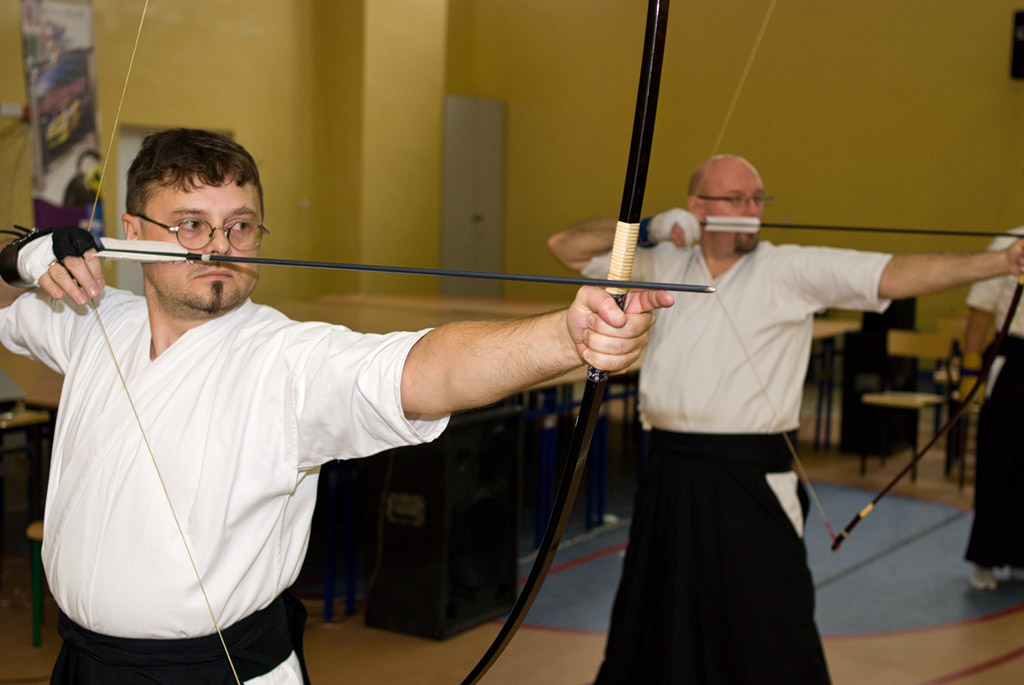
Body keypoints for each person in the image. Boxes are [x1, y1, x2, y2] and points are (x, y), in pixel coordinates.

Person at [0, 128, 673, 684]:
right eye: (189, 225)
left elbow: (425, 368)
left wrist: (566, 335)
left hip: (217, 669)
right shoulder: (90, 318)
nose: (219, 247)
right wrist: (15, 261)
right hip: (84, 663)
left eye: (240, 225)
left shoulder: (288, 358)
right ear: (130, 230)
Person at [548, 153, 1024, 684]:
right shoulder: (660, 263)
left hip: (752, 475)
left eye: (758, 200)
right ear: (697, 207)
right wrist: (649, 229)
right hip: (670, 471)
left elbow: (892, 273)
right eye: (736, 200)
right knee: (659, 620)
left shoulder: (789, 267)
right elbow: (565, 248)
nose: (752, 211)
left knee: (772, 623)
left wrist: (1000, 263)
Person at [960, 226, 1024, 591]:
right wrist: (971, 376)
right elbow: (981, 311)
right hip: (1014, 358)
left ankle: (1020, 557)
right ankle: (984, 559)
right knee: (1000, 460)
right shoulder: (1009, 242)